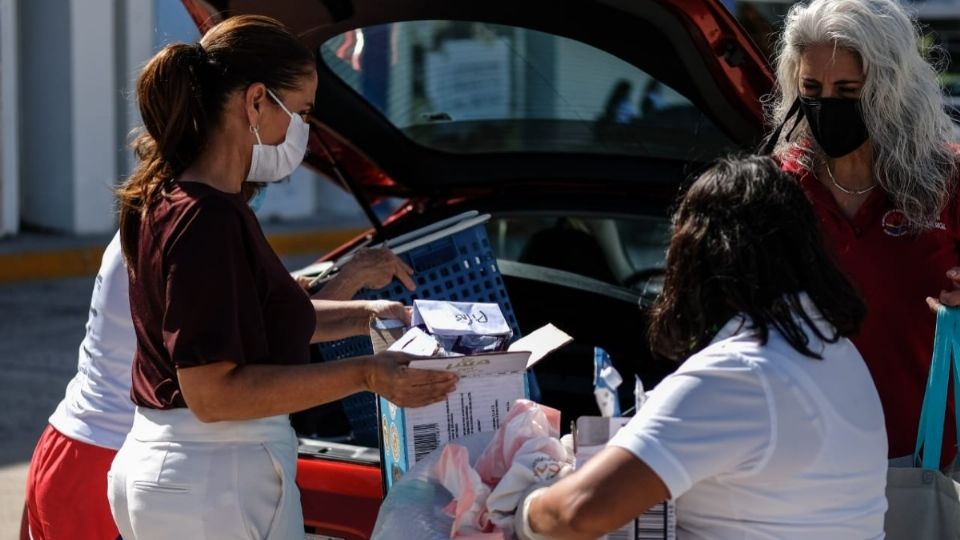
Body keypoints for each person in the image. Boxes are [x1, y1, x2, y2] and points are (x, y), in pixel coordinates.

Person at [105, 15, 457, 539]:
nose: (304, 133)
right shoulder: (208, 217)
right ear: (254, 102)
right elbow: (212, 392)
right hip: (214, 482)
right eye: (301, 112)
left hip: (180, 476)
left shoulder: (179, 198)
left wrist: (370, 316)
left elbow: (256, 322)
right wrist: (368, 374)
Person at [514, 156, 888, 539]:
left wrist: (526, 507)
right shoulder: (833, 350)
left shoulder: (739, 374)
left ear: (697, 260)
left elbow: (577, 513)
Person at [22, 231, 413, 540]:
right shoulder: (195, 232)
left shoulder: (153, 222)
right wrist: (355, 284)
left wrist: (366, 310)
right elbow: (279, 332)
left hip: (67, 447)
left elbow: (255, 309)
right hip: (103, 458)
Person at [762, 0, 960, 461]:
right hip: (804, 464)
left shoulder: (948, 178)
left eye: (847, 91)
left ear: (891, 89)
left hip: (925, 460)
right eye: (811, 87)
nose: (826, 103)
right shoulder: (778, 185)